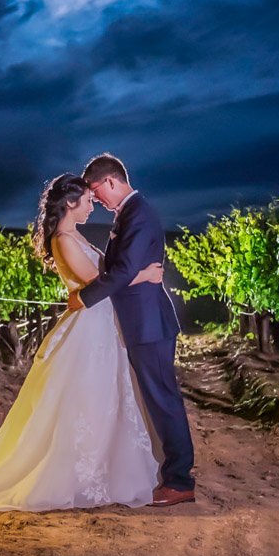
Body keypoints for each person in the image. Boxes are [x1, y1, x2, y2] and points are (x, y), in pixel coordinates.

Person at [0, 174, 161, 511]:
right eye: (88, 200)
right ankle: (75, 476)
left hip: (100, 321)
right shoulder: (63, 239)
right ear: (70, 202)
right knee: (86, 398)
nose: (92, 205)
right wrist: (145, 275)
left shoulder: (74, 234)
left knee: (102, 397)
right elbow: (98, 281)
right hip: (89, 326)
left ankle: (105, 468)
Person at [67, 153, 195, 507]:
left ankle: (180, 481)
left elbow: (122, 271)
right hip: (142, 322)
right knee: (157, 400)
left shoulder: (138, 213)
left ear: (110, 181)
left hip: (149, 324)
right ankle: (172, 475)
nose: (95, 199)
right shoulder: (129, 213)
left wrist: (84, 298)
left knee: (164, 400)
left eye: (95, 190)